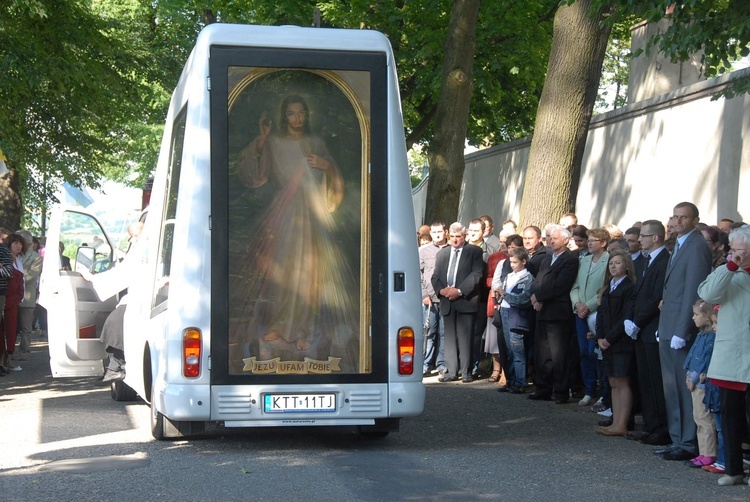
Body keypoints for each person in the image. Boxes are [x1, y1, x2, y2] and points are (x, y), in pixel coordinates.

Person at [235, 94, 357, 370]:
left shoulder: (316, 143)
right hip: (284, 214)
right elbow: (258, 176)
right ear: (284, 117)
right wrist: (263, 139)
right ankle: (279, 327)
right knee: (283, 270)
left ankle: (302, 330)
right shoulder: (275, 142)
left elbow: (333, 179)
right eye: (291, 114)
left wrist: (326, 166)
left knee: (309, 273)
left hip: (311, 214)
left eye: (301, 113)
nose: (297, 118)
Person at [655, 202, 712, 462]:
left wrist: (682, 328)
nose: (677, 221)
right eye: (675, 217)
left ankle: (688, 442)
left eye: (683, 217)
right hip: (668, 324)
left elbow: (693, 290)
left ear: (694, 220)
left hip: (680, 326)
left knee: (683, 386)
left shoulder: (697, 246)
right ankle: (677, 438)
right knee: (670, 386)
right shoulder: (678, 244)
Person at [697, 225, 750, 486]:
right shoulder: (728, 272)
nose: (737, 254)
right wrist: (730, 267)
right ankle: (733, 469)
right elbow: (707, 294)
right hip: (732, 354)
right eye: (734, 249)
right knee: (729, 415)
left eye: (742, 250)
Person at [625, 219, 670, 446]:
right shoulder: (645, 261)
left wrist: (639, 321)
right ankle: (650, 425)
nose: (639, 239)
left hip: (652, 327)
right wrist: (630, 319)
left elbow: (656, 298)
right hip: (640, 328)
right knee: (644, 379)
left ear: (655, 238)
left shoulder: (664, 261)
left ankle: (661, 428)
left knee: (655, 380)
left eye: (643, 235)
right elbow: (637, 292)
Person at [528, 225, 579, 404]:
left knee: (559, 354)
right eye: (550, 238)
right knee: (542, 353)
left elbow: (561, 284)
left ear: (566, 240)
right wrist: (534, 296)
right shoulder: (546, 260)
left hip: (558, 312)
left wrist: (540, 296)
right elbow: (538, 282)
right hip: (541, 311)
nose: (551, 241)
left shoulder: (570, 260)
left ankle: (561, 391)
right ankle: (543, 388)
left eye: (555, 238)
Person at [431, 222, 484, 383]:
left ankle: (466, 372)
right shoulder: (443, 254)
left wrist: (459, 291)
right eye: (452, 236)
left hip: (465, 301)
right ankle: (450, 372)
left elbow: (476, 274)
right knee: (449, 338)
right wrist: (441, 290)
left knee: (465, 338)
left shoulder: (474, 251)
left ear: (464, 236)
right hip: (447, 301)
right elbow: (435, 276)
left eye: (458, 237)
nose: (454, 240)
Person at [594, 249, 637, 436]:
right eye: (611, 263)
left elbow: (625, 318)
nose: (613, 266)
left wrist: (609, 338)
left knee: (622, 380)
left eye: (618, 263)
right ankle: (615, 420)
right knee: (612, 381)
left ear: (626, 266)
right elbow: (602, 315)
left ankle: (622, 423)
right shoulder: (608, 286)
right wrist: (600, 337)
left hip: (621, 342)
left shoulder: (629, 287)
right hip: (606, 341)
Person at [570, 228, 610, 406]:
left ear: (603, 243)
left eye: (594, 240)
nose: (590, 243)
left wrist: (589, 305)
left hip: (597, 312)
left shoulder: (608, 260)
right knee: (584, 352)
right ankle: (589, 389)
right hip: (581, 312)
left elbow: (606, 287)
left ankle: (603, 391)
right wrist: (578, 304)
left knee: (597, 352)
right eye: (589, 239)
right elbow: (576, 285)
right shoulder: (584, 260)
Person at [682, 299, 718, 468]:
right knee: (698, 418)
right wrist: (688, 374)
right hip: (694, 381)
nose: (693, 318)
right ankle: (703, 452)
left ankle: (709, 453)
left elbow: (704, 359)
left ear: (707, 316)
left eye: (697, 314)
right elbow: (693, 356)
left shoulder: (710, 337)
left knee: (705, 420)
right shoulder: (702, 334)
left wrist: (693, 377)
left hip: (701, 384)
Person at [493, 246, 532, 393]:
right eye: (511, 262)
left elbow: (522, 299)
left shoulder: (527, 278)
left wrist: (504, 294)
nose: (512, 265)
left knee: (517, 350)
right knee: (508, 350)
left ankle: (521, 382)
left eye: (515, 262)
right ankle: (511, 380)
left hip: (516, 315)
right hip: (504, 311)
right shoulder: (509, 276)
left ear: (523, 261)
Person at [420, 222, 448, 377]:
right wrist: (424, 295)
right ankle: (426, 363)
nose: (437, 234)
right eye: (434, 232)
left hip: (446, 298)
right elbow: (418, 274)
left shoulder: (452, 249)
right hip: (429, 298)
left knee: (444, 333)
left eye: (440, 232)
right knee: (429, 332)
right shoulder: (423, 251)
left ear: (445, 232)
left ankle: (442, 363)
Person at [0, 233, 25, 374]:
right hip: (4, 297)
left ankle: (7, 359)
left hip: (12, 301)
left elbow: (16, 278)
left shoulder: (18, 262)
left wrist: (14, 301)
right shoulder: (6, 255)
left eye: (20, 243)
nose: (18, 245)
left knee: (10, 331)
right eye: (15, 243)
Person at [15, 229, 42, 360]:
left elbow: (32, 276)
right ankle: (8, 353)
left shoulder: (36, 257)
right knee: (11, 326)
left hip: (27, 297)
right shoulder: (12, 255)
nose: (18, 245)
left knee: (26, 327)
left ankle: (24, 352)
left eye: (20, 242)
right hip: (12, 296)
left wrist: (15, 277)